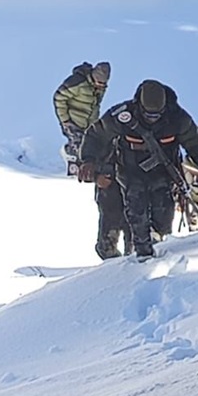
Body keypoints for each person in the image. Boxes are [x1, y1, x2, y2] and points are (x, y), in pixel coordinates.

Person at [79, 79, 198, 260]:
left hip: (163, 174)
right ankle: (142, 256)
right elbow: (96, 134)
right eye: (148, 114)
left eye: (156, 115)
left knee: (163, 215)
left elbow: (195, 145)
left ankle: (159, 245)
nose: (152, 118)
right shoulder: (122, 116)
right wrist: (88, 160)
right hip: (130, 172)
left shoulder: (178, 119)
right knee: (136, 212)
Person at [52, 60, 131, 260]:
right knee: (82, 150)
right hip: (75, 123)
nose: (100, 87)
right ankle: (76, 166)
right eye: (98, 83)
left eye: (103, 85)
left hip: (90, 124)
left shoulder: (99, 88)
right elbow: (58, 97)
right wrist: (66, 121)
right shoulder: (76, 83)